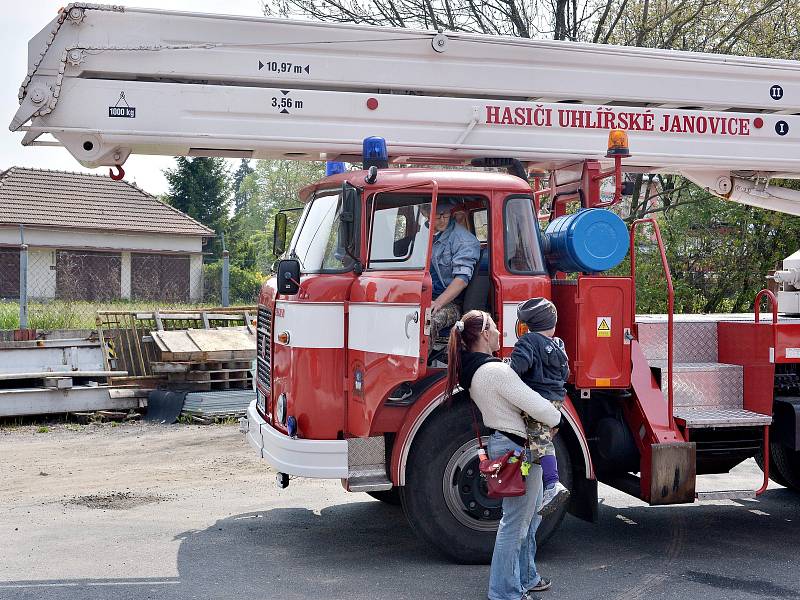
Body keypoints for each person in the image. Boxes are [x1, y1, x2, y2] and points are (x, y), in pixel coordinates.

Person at [445, 310, 561, 600]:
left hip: (508, 446)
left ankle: (527, 577)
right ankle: (504, 592)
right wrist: (555, 418)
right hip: (517, 449)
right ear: (485, 334)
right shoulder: (495, 372)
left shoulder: (476, 369)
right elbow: (538, 406)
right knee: (515, 524)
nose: (501, 333)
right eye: (496, 328)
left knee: (529, 518)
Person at [509, 298, 570, 516]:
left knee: (539, 440)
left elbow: (518, 368)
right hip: (556, 400)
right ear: (553, 324)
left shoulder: (528, 342)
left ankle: (553, 484)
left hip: (536, 400)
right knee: (533, 443)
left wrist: (505, 367)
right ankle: (526, 476)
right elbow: (566, 374)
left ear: (527, 324)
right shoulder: (559, 345)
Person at [428, 198, 481, 336]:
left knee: (428, 320)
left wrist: (438, 303)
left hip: (450, 302)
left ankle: (422, 358)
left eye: (446, 214)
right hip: (424, 295)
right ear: (425, 213)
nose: (443, 219)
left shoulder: (464, 240)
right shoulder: (422, 236)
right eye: (438, 215)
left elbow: (462, 279)